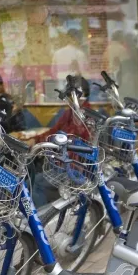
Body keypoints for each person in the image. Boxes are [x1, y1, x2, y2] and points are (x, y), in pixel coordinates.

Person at [30, 76, 92, 207]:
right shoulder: (70, 112)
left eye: (72, 93)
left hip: (74, 169)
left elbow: (78, 136)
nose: (69, 97)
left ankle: (40, 221)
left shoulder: (86, 116)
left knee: (35, 183)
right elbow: (54, 130)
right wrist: (35, 140)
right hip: (61, 163)